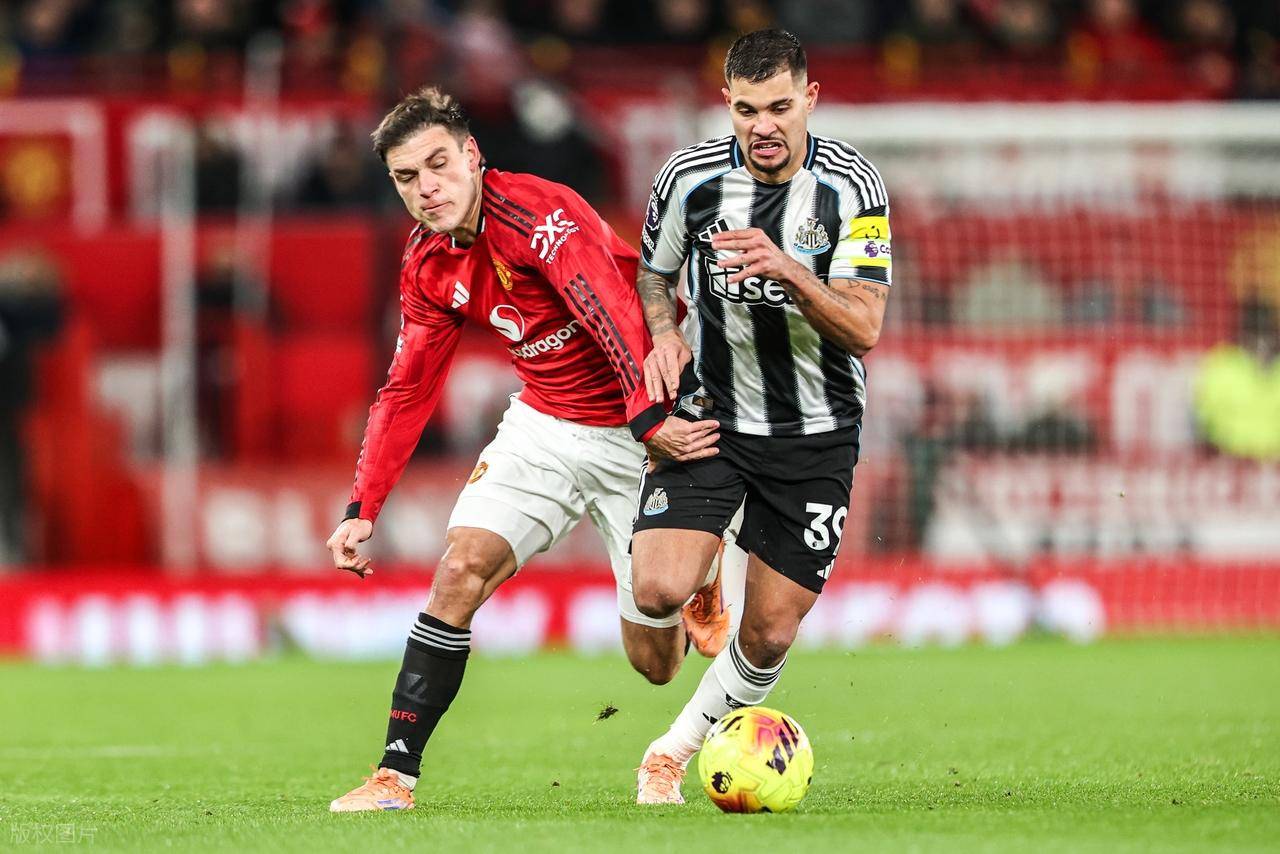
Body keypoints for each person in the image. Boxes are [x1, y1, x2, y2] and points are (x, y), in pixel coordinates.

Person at [325, 86, 730, 812]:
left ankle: (692, 573)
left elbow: (611, 310)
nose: (426, 188)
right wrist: (363, 507)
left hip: (638, 423)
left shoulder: (539, 214)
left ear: (472, 156)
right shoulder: (428, 264)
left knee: (656, 665)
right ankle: (394, 777)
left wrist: (647, 422)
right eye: (407, 177)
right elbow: (407, 388)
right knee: (459, 570)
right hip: (544, 424)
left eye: (438, 165)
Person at [628, 29, 892, 803]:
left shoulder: (854, 188)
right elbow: (653, 274)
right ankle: (706, 569)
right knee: (657, 593)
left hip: (816, 432)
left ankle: (671, 751)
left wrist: (787, 268)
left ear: (810, 98)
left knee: (771, 632)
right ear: (727, 104)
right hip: (715, 413)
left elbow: (864, 329)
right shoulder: (689, 178)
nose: (763, 125)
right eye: (747, 110)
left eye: (779, 107)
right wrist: (665, 331)